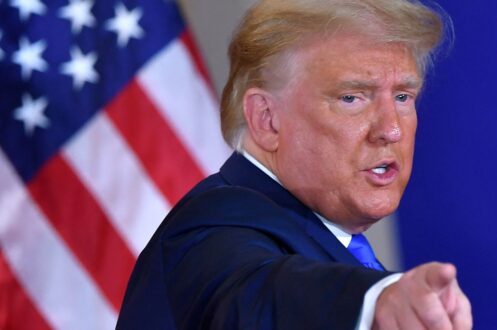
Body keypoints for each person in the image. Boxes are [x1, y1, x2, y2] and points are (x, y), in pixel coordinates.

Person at [117, 0, 472, 329]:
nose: (391, 129)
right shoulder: (217, 222)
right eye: (351, 97)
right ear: (267, 119)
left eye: (402, 96)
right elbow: (260, 292)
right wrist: (376, 301)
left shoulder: (326, 237)